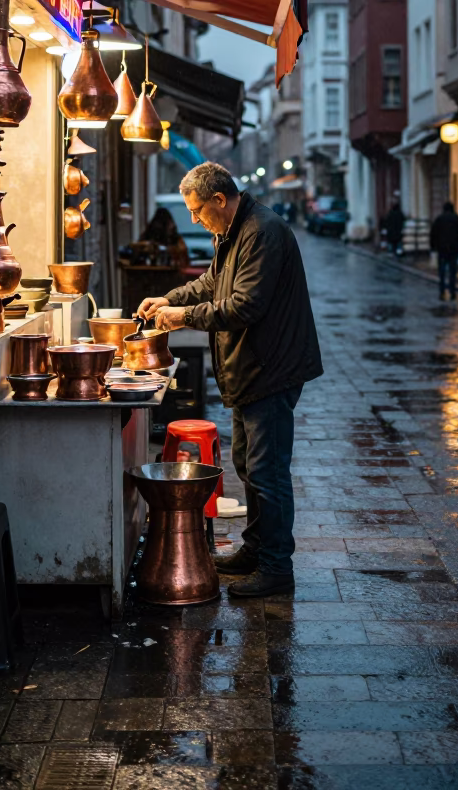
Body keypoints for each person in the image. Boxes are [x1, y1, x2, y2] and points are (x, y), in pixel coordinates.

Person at [137, 161, 322, 598]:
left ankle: (277, 567)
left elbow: (244, 306)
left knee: (267, 470)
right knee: (249, 465)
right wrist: (171, 297)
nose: (195, 220)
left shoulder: (261, 232)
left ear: (220, 199)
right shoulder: (234, 230)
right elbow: (212, 282)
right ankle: (256, 550)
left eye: (198, 211)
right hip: (250, 369)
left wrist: (181, 317)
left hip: (270, 369)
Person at [430, 200, 458, 301]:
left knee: (442, 271)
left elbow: (433, 234)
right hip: (454, 249)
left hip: (442, 249)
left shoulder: (439, 219)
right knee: (452, 270)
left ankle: (442, 290)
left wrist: (433, 248)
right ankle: (452, 291)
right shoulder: (457, 219)